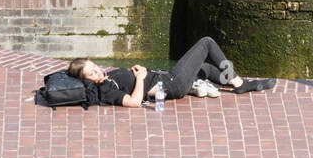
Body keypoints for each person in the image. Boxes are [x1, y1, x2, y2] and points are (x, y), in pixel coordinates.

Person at [68, 38, 276, 105]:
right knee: (206, 43)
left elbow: (129, 83)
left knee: (204, 68)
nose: (97, 70)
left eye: (93, 66)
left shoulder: (107, 79)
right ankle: (240, 85)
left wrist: (136, 71)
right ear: (87, 80)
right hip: (171, 83)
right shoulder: (105, 89)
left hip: (166, 80)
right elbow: (133, 102)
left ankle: (229, 82)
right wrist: (140, 78)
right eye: (91, 73)